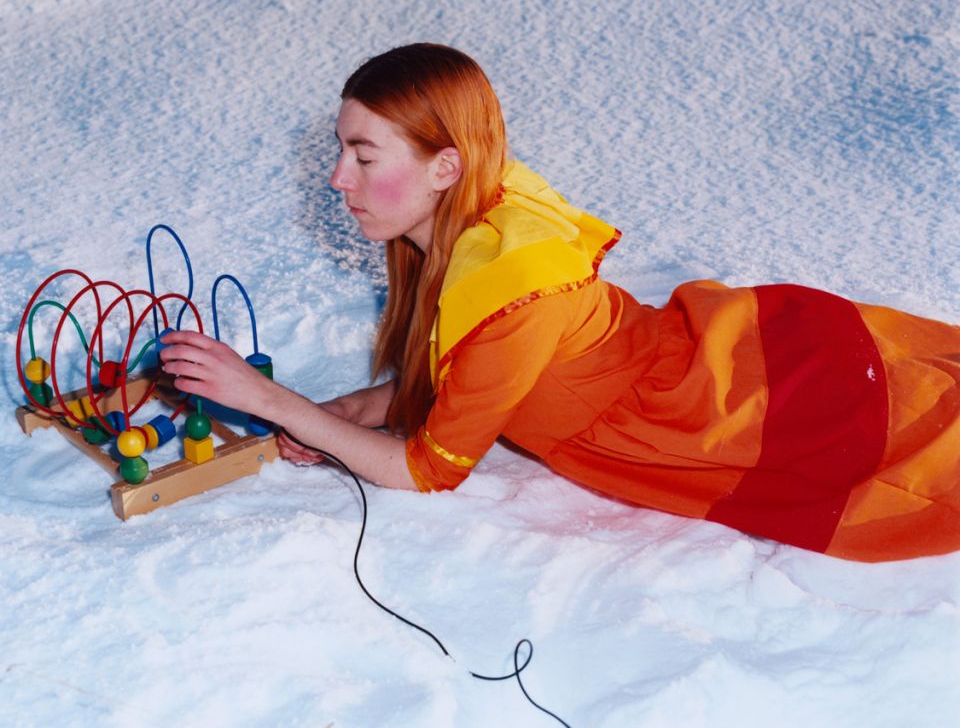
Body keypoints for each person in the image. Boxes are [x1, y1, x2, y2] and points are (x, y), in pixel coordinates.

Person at [160, 43, 960, 563]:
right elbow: (467, 375)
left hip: (725, 415)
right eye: (341, 148)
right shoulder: (466, 231)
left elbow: (427, 471)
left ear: (446, 167)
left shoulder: (508, 294)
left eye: (363, 155)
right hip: (695, 361)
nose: (339, 176)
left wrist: (270, 399)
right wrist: (360, 409)